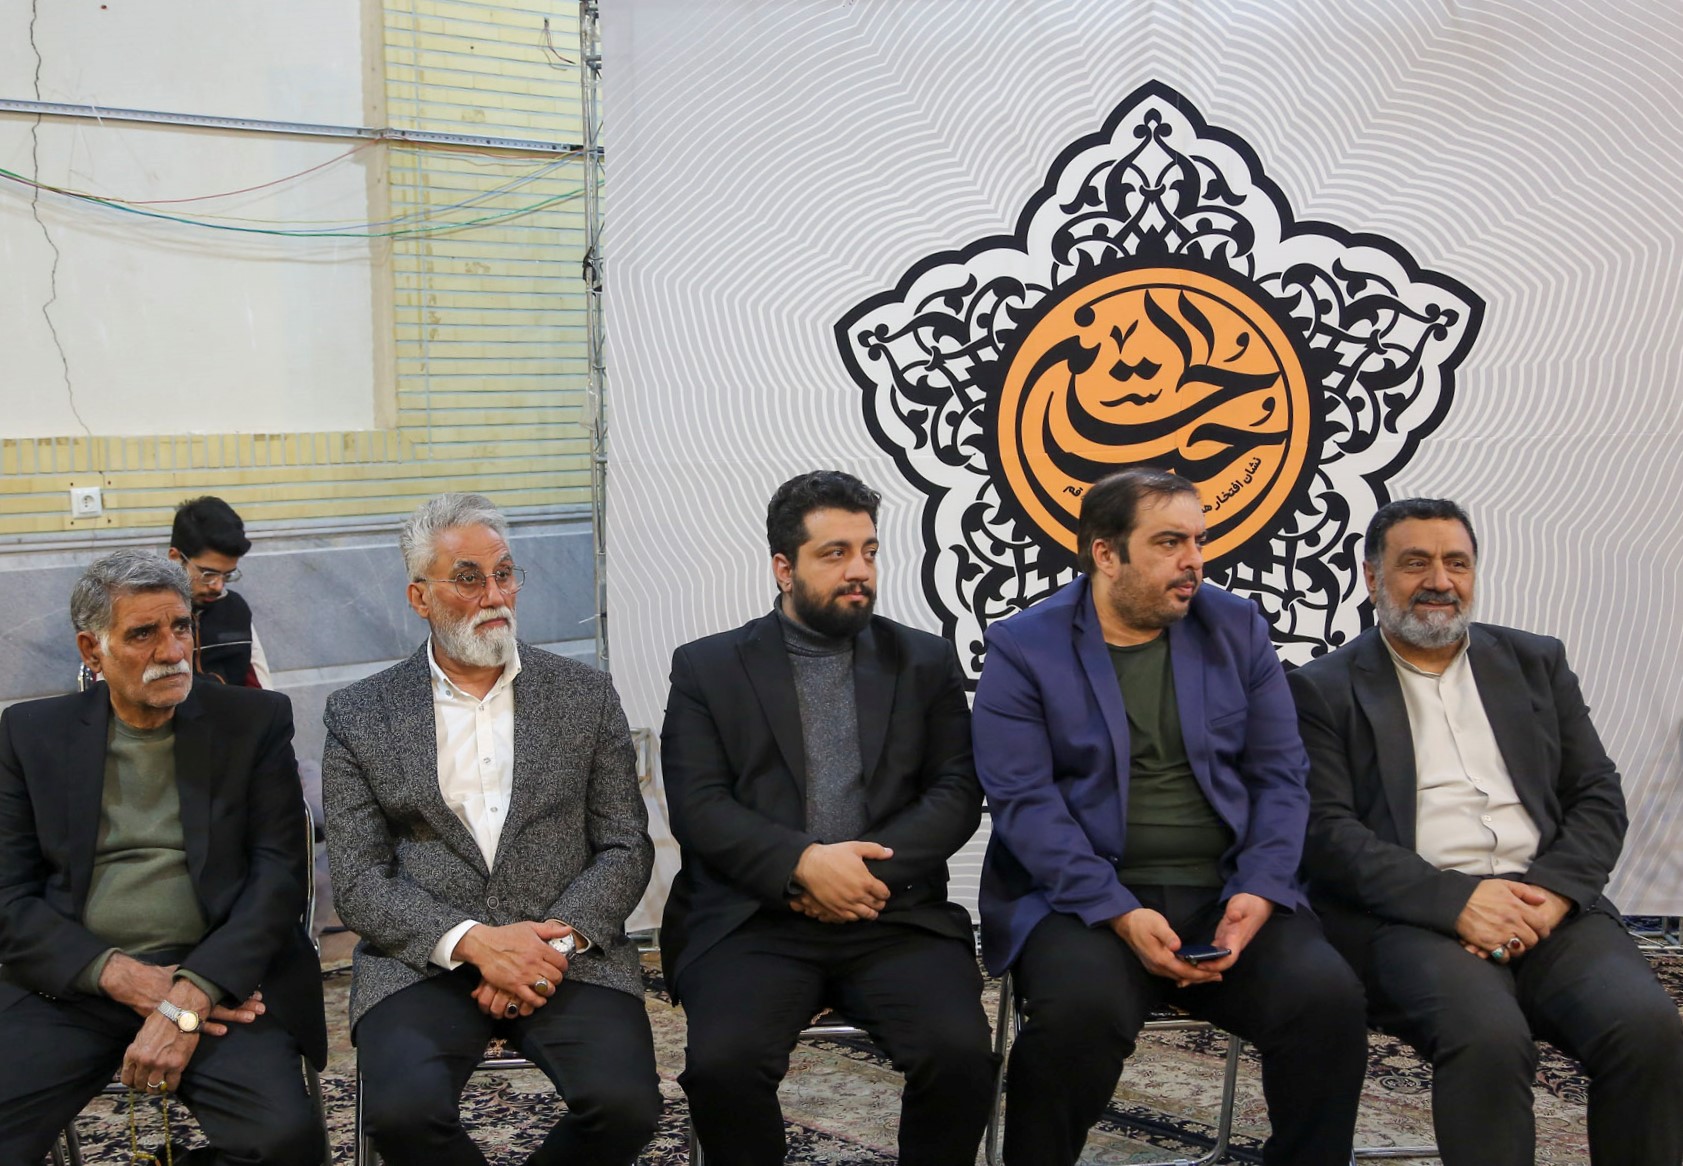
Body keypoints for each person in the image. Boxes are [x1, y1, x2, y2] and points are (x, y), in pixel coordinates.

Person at [974, 467, 1366, 1166]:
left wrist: (1259, 888)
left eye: (1198, 540)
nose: (1193, 561)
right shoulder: (1025, 646)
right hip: (1084, 903)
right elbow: (1023, 802)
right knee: (1077, 1017)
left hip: (1223, 892)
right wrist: (1118, 912)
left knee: (1326, 1001)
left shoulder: (1235, 627)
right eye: (1168, 542)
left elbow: (1281, 777)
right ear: (1105, 552)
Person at [1289, 496, 1683, 1166]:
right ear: (1371, 577)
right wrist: (1459, 903)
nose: (1439, 581)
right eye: (1415, 563)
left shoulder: (1535, 662)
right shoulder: (1322, 688)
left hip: (1546, 905)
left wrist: (1551, 895)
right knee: (1488, 1037)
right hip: (1411, 917)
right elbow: (1325, 834)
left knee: (1646, 1029)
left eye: (1457, 563)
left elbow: (1595, 794)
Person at [660, 470, 995, 1166]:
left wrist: (860, 877)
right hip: (753, 919)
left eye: (869, 551)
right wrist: (804, 866)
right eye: (835, 553)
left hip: (892, 913)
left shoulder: (923, 660)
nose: (859, 570)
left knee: (960, 1056)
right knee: (723, 1067)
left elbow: (957, 790)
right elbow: (698, 805)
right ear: (784, 568)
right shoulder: (707, 668)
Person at [322, 492, 660, 1165]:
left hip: (568, 957)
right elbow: (358, 880)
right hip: (422, 962)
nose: (495, 595)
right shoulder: (361, 714)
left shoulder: (584, 695)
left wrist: (550, 947)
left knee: (626, 1109)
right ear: (420, 597)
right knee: (402, 1116)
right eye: (468, 578)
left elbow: (625, 845)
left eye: (504, 574)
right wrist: (475, 943)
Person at [0, 550, 326, 1164]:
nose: (173, 651)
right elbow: (8, 897)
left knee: (283, 1145)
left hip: (222, 981)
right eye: (143, 634)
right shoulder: (30, 735)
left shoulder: (251, 722)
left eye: (180, 627)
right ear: (92, 650)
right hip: (75, 984)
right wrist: (119, 975)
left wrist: (189, 996)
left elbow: (278, 879)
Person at [169, 496, 272, 687]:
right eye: (208, 574)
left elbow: (262, 691)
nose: (218, 586)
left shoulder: (235, 610)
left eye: (227, 575)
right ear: (175, 558)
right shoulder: (146, 612)